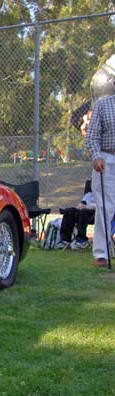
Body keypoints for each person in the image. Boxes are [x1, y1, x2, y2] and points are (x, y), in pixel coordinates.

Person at [85, 94, 115, 267]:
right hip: (107, 158)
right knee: (105, 207)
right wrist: (97, 157)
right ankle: (101, 254)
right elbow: (91, 137)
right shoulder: (103, 104)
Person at [57, 183, 94, 250]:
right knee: (69, 211)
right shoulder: (89, 195)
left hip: (95, 214)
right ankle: (65, 239)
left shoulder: (104, 195)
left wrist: (87, 207)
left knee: (84, 211)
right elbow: (81, 204)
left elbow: (103, 207)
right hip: (82, 213)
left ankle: (81, 238)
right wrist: (80, 206)